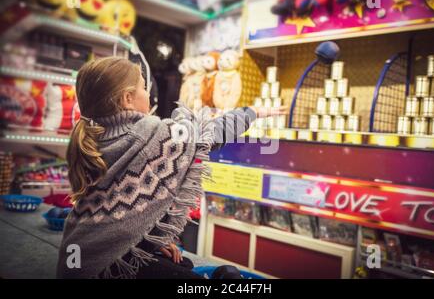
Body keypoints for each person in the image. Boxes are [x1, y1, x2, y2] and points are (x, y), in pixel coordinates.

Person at [56, 56, 287, 279]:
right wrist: (252, 113)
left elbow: (118, 216)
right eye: (144, 88)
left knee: (181, 263)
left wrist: (146, 240)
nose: (148, 94)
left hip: (82, 258)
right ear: (127, 98)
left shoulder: (94, 137)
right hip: (109, 268)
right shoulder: (148, 134)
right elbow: (210, 133)